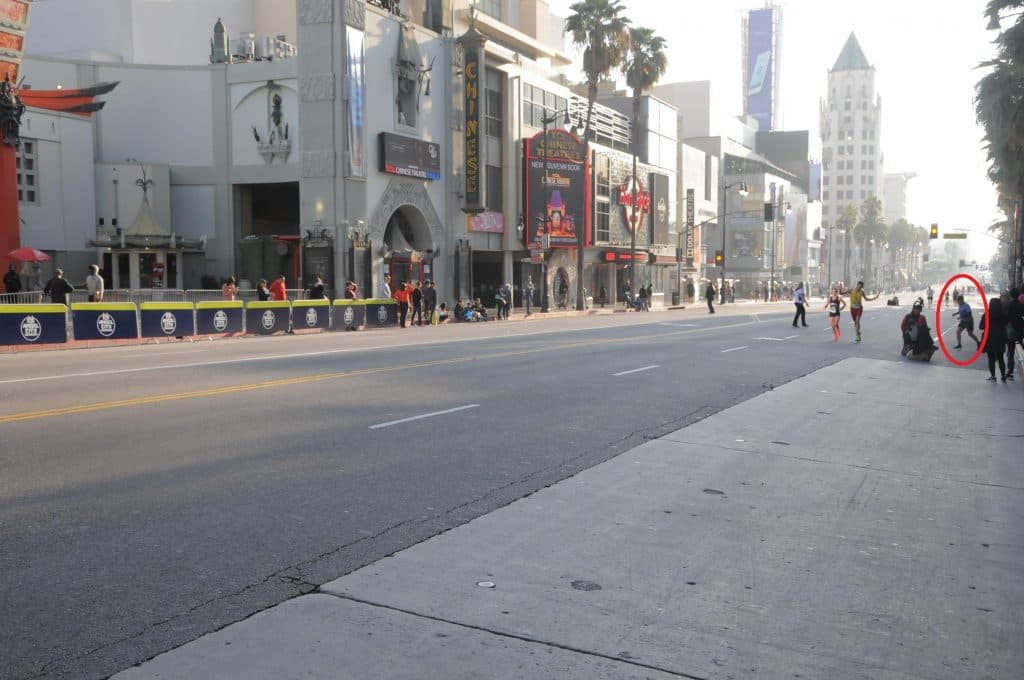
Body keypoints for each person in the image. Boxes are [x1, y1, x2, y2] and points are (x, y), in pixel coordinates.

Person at [979, 298, 1008, 382]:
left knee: (991, 358)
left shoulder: (987, 314)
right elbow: (1006, 323)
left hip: (989, 338)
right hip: (1000, 337)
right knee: (1000, 358)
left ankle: (993, 376)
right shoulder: (1002, 314)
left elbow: (981, 326)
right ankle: (1003, 376)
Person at [1006, 288, 1023, 380]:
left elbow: (1007, 317)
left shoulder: (1009, 305)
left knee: (1011, 351)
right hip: (1020, 329)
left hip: (1011, 331)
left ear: (1011, 296)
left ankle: (1010, 372)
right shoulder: (1021, 305)